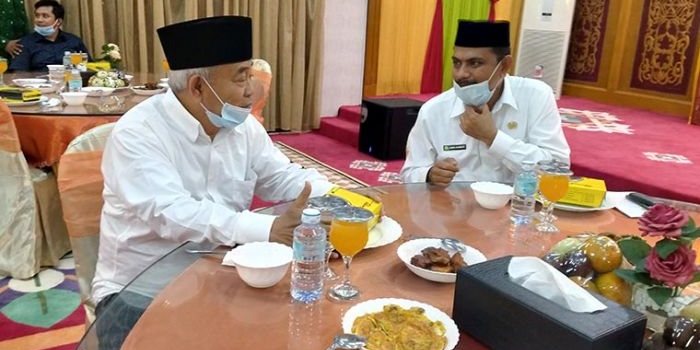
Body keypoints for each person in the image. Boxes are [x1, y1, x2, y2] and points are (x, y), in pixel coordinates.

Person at [91, 16, 366, 350]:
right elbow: (172, 214)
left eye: (251, 74)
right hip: (141, 290)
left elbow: (281, 176)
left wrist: (344, 198)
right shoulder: (138, 133)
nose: (254, 89)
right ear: (197, 87)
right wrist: (267, 229)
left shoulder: (243, 127)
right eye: (241, 78)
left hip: (225, 275)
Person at [400, 20, 570, 187]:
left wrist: (492, 138)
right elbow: (410, 172)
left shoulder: (535, 96)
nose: (461, 74)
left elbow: (557, 170)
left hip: (516, 208)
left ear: (504, 66)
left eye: (475, 63)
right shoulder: (434, 110)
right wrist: (429, 175)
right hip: (454, 209)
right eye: (457, 63)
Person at [8, 0, 91, 71]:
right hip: (38, 86)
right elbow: (18, 74)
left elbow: (89, 67)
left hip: (71, 84)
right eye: (37, 16)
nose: (39, 20)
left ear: (58, 22)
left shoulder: (73, 41)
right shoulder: (25, 43)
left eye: (45, 16)